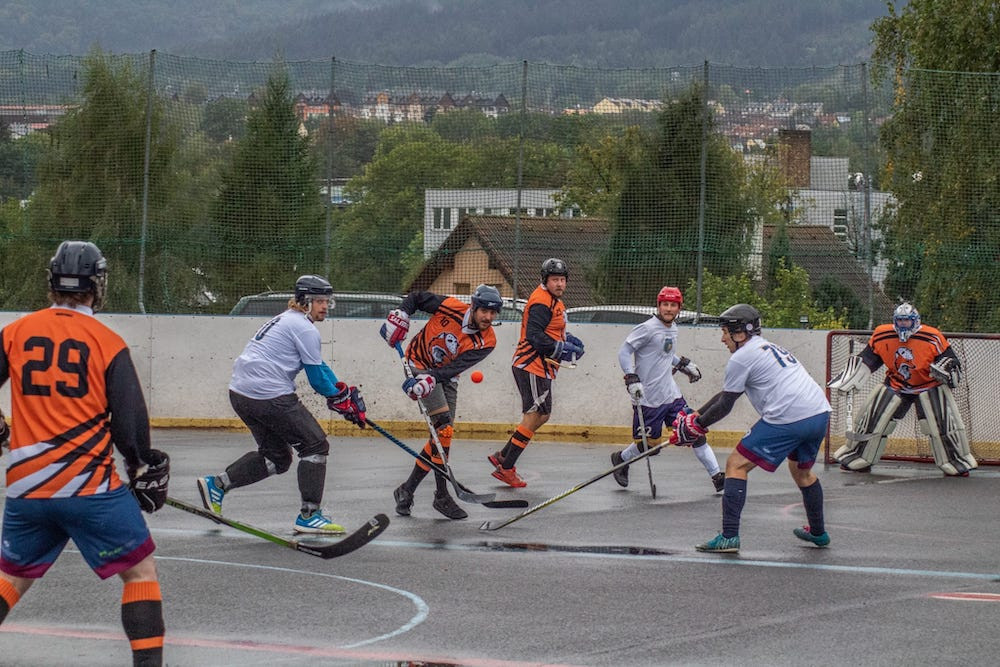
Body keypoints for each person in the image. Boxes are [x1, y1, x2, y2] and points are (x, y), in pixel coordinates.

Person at [0, 241, 169, 666]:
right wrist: (142, 466)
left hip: (27, 491)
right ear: (98, 285)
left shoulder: (15, 332)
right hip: (89, 488)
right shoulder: (106, 341)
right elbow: (130, 424)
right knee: (139, 572)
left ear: (52, 282)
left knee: (12, 577)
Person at [197, 275, 366, 534]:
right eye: (319, 301)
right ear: (304, 301)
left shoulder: (289, 320)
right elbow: (318, 380)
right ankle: (309, 516)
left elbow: (319, 367)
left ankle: (217, 485)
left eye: (327, 301)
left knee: (277, 457)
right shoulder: (305, 328)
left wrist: (340, 392)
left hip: (242, 394)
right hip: (268, 394)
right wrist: (339, 399)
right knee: (315, 444)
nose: (324, 306)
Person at [671, 304, 831, 554]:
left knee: (736, 464)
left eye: (725, 332)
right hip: (819, 413)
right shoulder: (767, 347)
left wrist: (696, 427)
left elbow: (726, 404)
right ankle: (819, 533)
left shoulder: (741, 357)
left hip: (789, 416)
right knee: (802, 472)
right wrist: (695, 416)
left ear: (740, 333)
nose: (722, 338)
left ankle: (729, 536)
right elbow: (726, 394)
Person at [380, 284, 501, 519]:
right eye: (484, 311)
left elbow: (455, 367)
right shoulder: (451, 307)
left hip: (445, 375)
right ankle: (442, 495)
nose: (488, 317)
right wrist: (402, 314)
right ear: (474, 307)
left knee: (442, 435)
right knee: (442, 428)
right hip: (418, 362)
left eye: (493, 312)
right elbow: (416, 298)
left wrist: (431, 379)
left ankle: (407, 490)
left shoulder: (487, 341)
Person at [829, 302, 976, 476]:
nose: (903, 324)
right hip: (897, 383)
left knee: (942, 426)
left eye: (907, 321)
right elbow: (869, 358)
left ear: (916, 320)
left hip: (928, 386)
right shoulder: (882, 334)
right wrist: (852, 375)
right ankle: (857, 457)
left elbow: (951, 360)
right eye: (900, 321)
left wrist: (948, 370)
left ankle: (955, 461)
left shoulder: (932, 337)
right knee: (871, 419)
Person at [611, 286, 724, 493]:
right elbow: (624, 351)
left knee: (694, 431)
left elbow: (664, 352)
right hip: (648, 399)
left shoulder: (673, 328)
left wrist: (682, 364)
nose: (668, 309)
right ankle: (621, 459)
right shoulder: (647, 328)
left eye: (673, 305)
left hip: (671, 395)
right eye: (665, 304)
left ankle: (717, 476)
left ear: (679, 308)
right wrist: (631, 377)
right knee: (650, 447)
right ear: (659, 305)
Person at [488, 258, 584, 487]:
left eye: (562, 280)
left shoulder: (554, 301)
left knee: (543, 414)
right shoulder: (542, 302)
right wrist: (561, 349)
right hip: (531, 364)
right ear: (545, 280)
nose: (559, 284)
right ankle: (507, 467)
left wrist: (567, 340)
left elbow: (551, 330)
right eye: (554, 280)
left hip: (541, 366)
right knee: (534, 415)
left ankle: (503, 455)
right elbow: (535, 336)